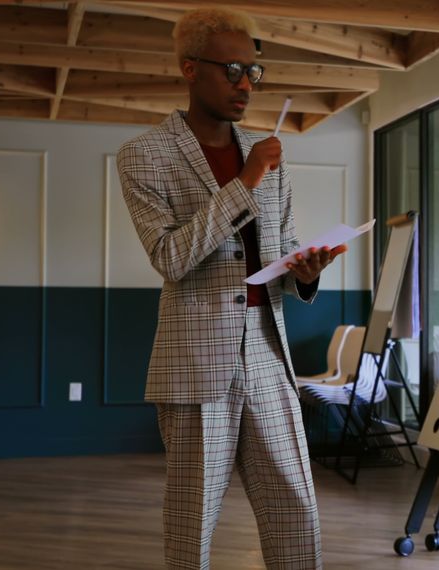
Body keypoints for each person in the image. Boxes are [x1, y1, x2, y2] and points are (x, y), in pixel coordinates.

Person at [117, 8, 339, 569]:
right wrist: (244, 184)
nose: (245, 84)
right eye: (232, 70)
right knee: (192, 522)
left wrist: (303, 273)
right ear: (191, 69)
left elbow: (280, 251)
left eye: (253, 72)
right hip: (194, 361)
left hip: (269, 353)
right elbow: (171, 257)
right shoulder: (144, 156)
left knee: (297, 511)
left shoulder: (268, 157)